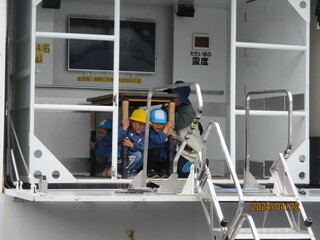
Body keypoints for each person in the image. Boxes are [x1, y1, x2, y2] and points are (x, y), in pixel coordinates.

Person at [166, 80, 202, 178]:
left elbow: (177, 124)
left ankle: (201, 164)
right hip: (178, 148)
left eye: (174, 96)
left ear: (181, 98)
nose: (171, 98)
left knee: (182, 173)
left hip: (191, 152)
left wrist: (170, 109)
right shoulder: (174, 107)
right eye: (170, 94)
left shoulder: (188, 110)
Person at [118, 109, 146, 178]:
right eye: (140, 124)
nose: (141, 127)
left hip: (128, 159)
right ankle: (124, 171)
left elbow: (144, 147)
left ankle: (131, 171)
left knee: (142, 153)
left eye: (144, 125)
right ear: (133, 123)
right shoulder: (125, 129)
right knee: (138, 154)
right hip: (119, 160)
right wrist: (124, 128)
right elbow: (116, 138)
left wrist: (133, 145)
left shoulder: (143, 135)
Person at [148, 108, 175, 177]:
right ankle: (151, 171)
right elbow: (158, 141)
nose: (159, 126)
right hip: (150, 161)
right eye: (156, 123)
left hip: (161, 160)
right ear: (151, 124)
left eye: (161, 124)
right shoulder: (149, 131)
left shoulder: (164, 131)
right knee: (155, 151)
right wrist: (166, 128)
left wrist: (172, 137)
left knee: (170, 150)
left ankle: (164, 170)